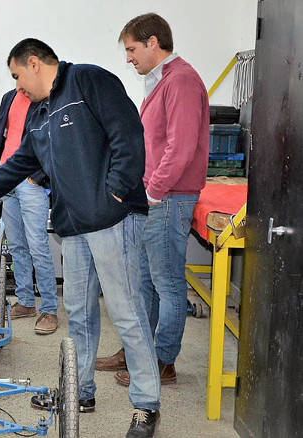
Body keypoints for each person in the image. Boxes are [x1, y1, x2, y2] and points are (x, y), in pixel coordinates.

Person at [0, 38, 162, 438]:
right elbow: (16, 167)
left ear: (35, 63)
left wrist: (114, 192)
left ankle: (146, 406)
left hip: (113, 219)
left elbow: (128, 134)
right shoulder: (39, 115)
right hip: (73, 228)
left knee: (126, 312)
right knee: (78, 313)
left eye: (17, 76)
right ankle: (80, 391)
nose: (17, 86)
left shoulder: (88, 81)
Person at [97, 13, 209, 389]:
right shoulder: (162, 82)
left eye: (131, 49)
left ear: (153, 42)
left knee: (167, 284)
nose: (129, 58)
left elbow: (181, 147)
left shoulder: (181, 81)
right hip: (156, 198)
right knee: (144, 283)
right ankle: (136, 353)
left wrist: (153, 193)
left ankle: (163, 362)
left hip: (168, 199)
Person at [0, 89, 58, 334]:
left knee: (38, 245)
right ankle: (27, 301)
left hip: (30, 183)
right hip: (6, 178)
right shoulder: (8, 97)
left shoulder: (47, 99)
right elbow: (1, 136)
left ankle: (49, 308)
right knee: (16, 245)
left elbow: (53, 141)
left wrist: (38, 177)